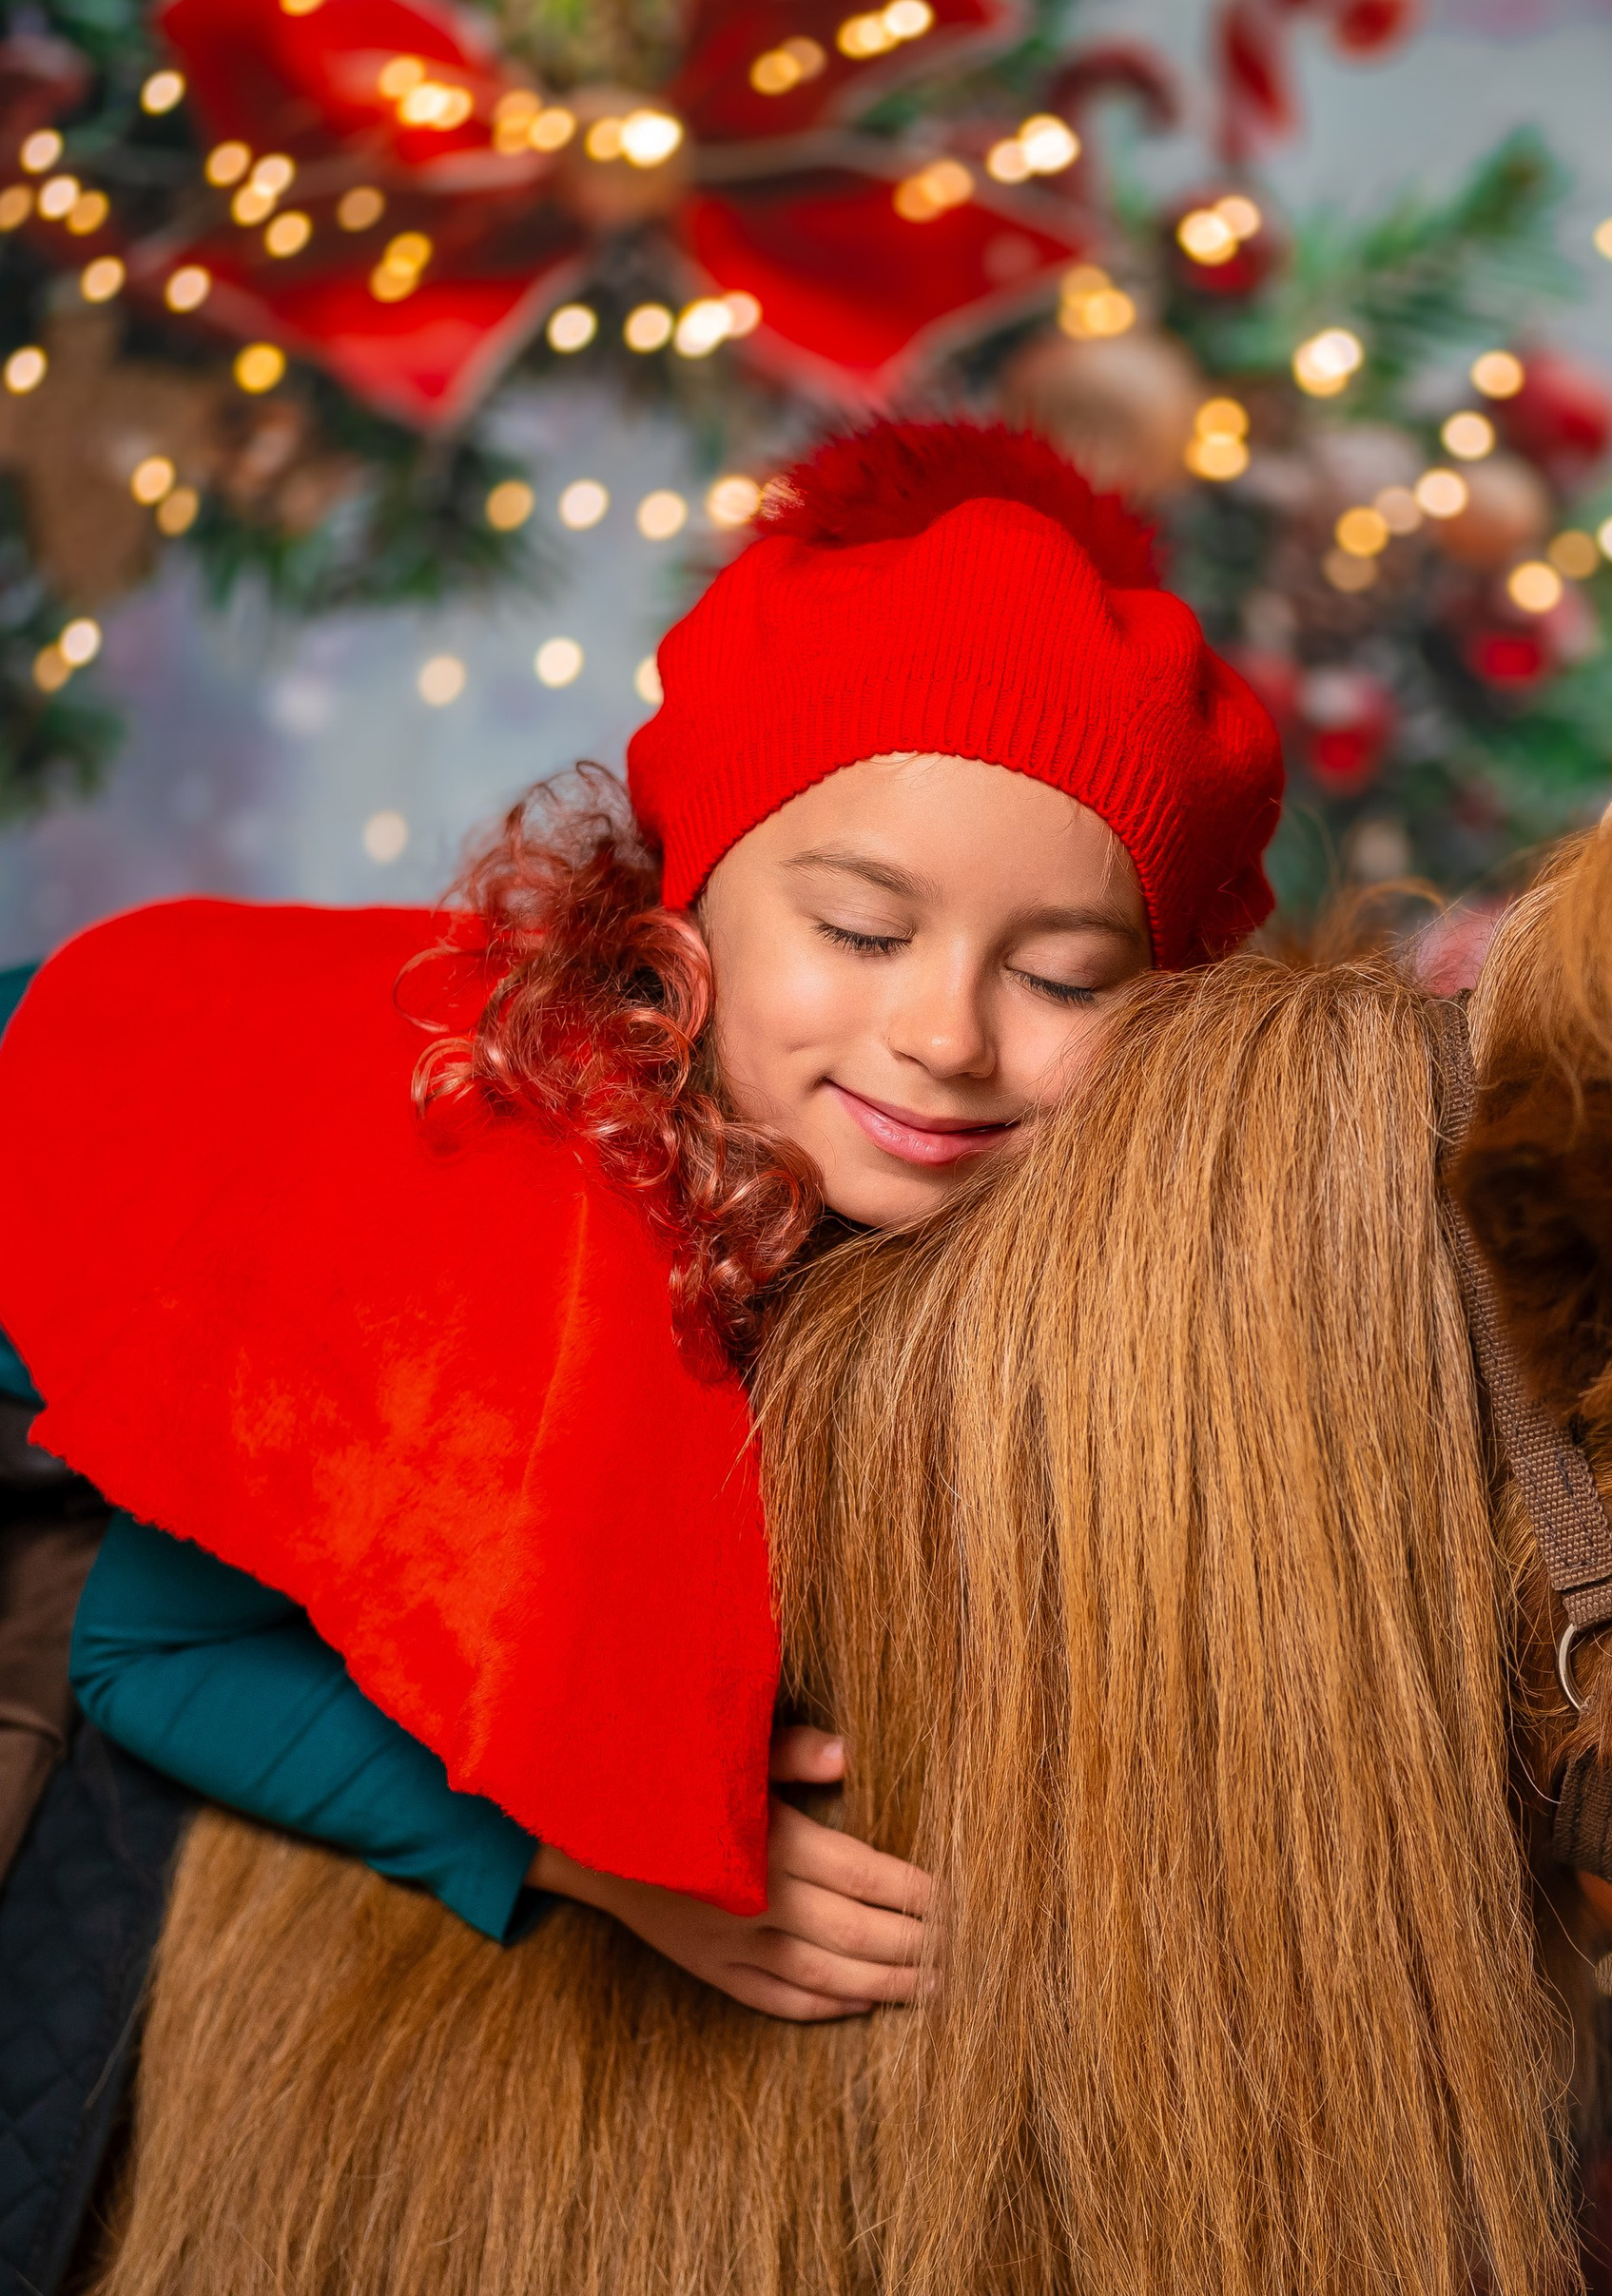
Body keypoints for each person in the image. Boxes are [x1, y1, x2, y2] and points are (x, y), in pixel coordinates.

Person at [0, 419, 1282, 2022]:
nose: (949, 1036)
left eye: (1062, 978)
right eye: (863, 930)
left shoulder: (992, 1179)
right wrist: (600, 1867)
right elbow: (149, 1653)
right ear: (682, 911)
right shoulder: (501, 1223)